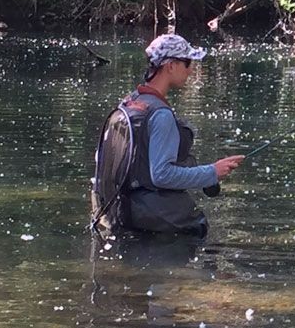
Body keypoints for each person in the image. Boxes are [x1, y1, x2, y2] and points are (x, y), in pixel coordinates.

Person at [91, 34, 244, 237]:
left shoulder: (129, 103)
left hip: (115, 212)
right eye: (187, 62)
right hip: (146, 217)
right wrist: (212, 172)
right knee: (197, 229)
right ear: (170, 66)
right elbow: (162, 175)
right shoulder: (160, 115)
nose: (190, 70)